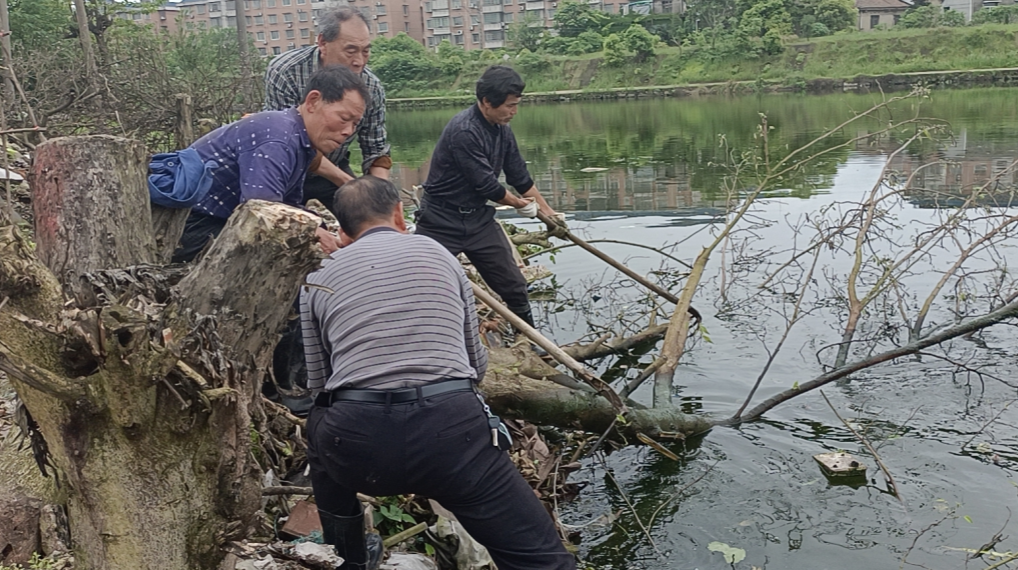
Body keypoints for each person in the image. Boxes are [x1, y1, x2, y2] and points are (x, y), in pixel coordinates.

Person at [301, 176, 576, 570]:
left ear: (341, 231)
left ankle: (347, 558)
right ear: (399, 213)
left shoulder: (318, 275)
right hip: (452, 440)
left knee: (319, 428)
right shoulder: (437, 252)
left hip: (358, 448)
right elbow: (476, 366)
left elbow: (318, 383)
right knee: (543, 560)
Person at [169, 65, 367, 263]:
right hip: (187, 224)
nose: (348, 131)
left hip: (214, 219)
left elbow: (287, 205)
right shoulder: (278, 138)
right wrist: (313, 231)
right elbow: (263, 212)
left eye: (355, 124)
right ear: (313, 101)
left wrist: (320, 227)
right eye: (343, 119)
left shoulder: (301, 141)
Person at [415, 65, 558, 331]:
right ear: (486, 102)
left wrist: (547, 211)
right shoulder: (465, 131)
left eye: (516, 105)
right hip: (440, 218)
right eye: (509, 106)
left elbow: (518, 174)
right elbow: (487, 185)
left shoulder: (502, 128)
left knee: (513, 284)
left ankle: (528, 339)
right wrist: (520, 204)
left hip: (478, 220)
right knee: (426, 283)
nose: (513, 112)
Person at [263, 7, 391, 217]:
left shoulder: (371, 86)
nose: (359, 61)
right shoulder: (286, 71)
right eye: (350, 51)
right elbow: (283, 140)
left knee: (370, 217)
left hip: (333, 165)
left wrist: (379, 197)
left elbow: (376, 150)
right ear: (322, 43)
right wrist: (348, 183)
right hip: (287, 167)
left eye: (366, 51)